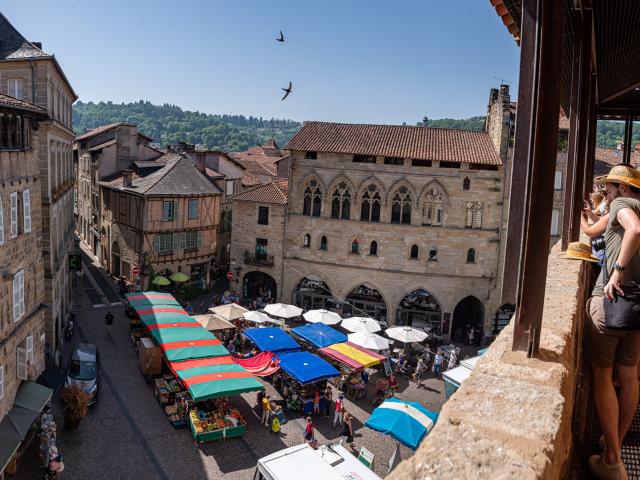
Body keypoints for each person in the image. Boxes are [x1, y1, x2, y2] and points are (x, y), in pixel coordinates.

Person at [584, 165, 640, 479]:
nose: (606, 193)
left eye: (610, 187)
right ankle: (614, 442)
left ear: (622, 188)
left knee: (603, 378)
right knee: (631, 379)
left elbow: (634, 230)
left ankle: (612, 462)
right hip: (637, 307)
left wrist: (617, 270)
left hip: (611, 304)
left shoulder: (621, 204)